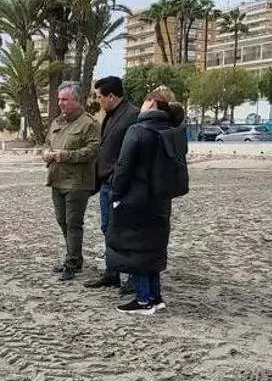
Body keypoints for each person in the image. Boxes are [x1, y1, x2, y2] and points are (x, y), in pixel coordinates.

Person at [106, 86, 187, 315]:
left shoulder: (139, 130)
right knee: (154, 248)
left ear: (151, 103)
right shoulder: (172, 131)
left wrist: (116, 195)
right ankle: (155, 296)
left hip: (136, 198)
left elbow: (123, 166)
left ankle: (143, 300)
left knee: (137, 249)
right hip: (160, 198)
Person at [84, 76, 139, 291]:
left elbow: (133, 153)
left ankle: (134, 276)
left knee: (126, 230)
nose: (98, 101)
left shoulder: (132, 116)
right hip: (106, 185)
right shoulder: (109, 115)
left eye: (100, 97)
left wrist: (117, 176)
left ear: (111, 96)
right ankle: (112, 271)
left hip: (121, 185)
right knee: (108, 228)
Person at [44, 82, 101, 281]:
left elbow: (93, 151)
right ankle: (75, 258)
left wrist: (64, 156)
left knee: (73, 223)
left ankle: (72, 263)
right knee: (62, 221)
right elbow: (48, 143)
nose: (60, 103)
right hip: (56, 179)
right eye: (59, 99)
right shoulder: (57, 122)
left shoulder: (89, 123)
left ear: (77, 101)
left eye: (65, 99)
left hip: (77, 183)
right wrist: (46, 154)